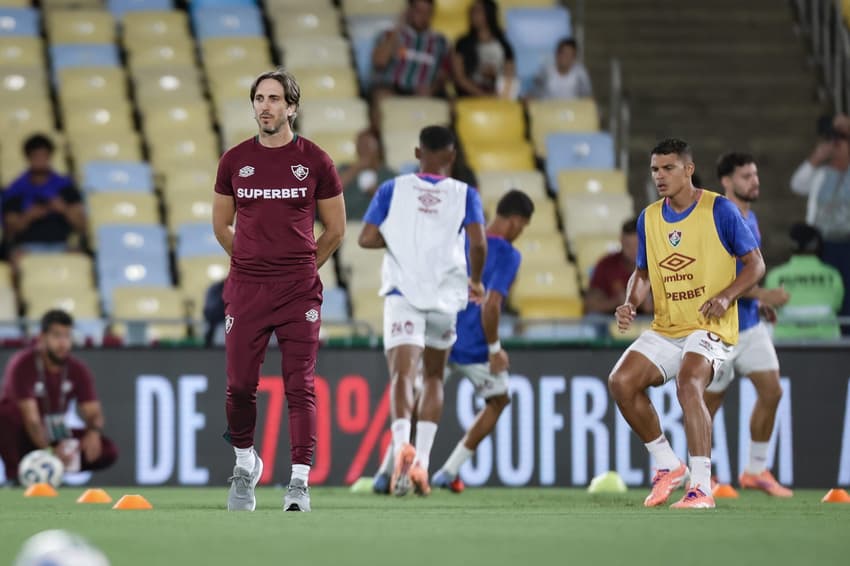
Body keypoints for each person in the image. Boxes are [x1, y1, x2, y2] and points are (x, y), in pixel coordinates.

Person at [212, 68, 346, 512]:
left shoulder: (316, 161)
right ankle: (246, 464)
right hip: (247, 289)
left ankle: (299, 484)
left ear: (292, 107)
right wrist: (252, 262)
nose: (265, 106)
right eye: (259, 98)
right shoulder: (234, 161)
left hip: (297, 292)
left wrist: (301, 268)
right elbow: (220, 224)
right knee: (238, 387)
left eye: (274, 99)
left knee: (300, 386)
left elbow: (336, 229)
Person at [609, 138, 763, 509]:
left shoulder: (720, 210)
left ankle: (702, 489)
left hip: (711, 325)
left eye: (668, 168)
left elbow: (755, 264)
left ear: (688, 169)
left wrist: (726, 296)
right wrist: (631, 302)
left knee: (689, 382)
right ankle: (667, 465)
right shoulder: (649, 217)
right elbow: (642, 273)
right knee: (621, 382)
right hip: (668, 327)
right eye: (654, 170)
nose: (659, 177)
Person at [371, 189, 533, 494]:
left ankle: (385, 473)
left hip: (442, 333)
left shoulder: (461, 239)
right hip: (476, 346)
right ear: (515, 221)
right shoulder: (509, 254)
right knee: (498, 400)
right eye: (522, 227)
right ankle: (449, 470)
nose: (519, 233)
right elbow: (492, 304)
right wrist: (495, 349)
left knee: (416, 404)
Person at [358, 125, 486, 497]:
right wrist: (476, 280)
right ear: (451, 157)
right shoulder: (465, 194)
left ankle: (401, 447)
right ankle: (424, 463)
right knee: (433, 377)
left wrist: (399, 235)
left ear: (418, 153)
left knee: (402, 375)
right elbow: (478, 242)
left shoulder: (391, 189)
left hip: (404, 294)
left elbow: (365, 237)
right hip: (446, 298)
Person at [703, 152, 792, 497]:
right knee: (708, 406)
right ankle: (702, 475)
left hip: (751, 326)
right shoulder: (715, 220)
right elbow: (715, 280)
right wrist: (763, 295)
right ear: (726, 181)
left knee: (772, 391)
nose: (754, 181)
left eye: (755, 175)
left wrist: (758, 303)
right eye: (745, 176)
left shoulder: (750, 219)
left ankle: (756, 470)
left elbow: (744, 274)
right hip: (720, 328)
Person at [0, 309, 117, 484]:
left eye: (67, 336)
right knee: (6, 416)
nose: (63, 343)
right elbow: (31, 420)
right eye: (56, 336)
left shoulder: (77, 369)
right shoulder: (23, 364)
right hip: (22, 435)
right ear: (41, 337)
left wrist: (93, 432)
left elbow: (93, 411)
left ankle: (54, 471)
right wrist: (51, 452)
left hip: (52, 431)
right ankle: (16, 475)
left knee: (107, 449)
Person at [790, 114, 850, 325]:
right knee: (827, 291)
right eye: (833, 140)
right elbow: (797, 184)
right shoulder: (821, 174)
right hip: (824, 244)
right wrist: (817, 157)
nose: (836, 145)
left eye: (842, 139)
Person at [2, 134, 87, 258]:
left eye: (44, 156)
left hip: (61, 246)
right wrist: (28, 216)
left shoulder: (66, 188)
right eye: (36, 156)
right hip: (27, 247)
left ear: (50, 157)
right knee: (16, 259)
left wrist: (63, 209)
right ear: (28, 158)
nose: (40, 160)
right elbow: (9, 231)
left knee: (78, 257)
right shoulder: (16, 190)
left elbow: (81, 225)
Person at [369, 0, 451, 129]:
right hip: (393, 88)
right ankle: (381, 141)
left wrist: (432, 89)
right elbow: (379, 62)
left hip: (424, 91)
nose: (422, 16)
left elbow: (443, 75)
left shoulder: (440, 42)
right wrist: (398, 28)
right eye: (418, 11)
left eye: (427, 13)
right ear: (409, 11)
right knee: (381, 97)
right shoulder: (389, 35)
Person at [765, 223, 844, 340]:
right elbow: (837, 305)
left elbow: (768, 309)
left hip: (785, 342)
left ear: (791, 246)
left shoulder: (775, 276)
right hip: (827, 341)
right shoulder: (833, 275)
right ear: (818, 246)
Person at [584, 218, 653, 316]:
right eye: (628, 245)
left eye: (637, 245)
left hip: (652, 322)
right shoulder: (607, 264)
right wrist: (616, 302)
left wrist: (650, 305)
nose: (633, 251)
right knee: (593, 318)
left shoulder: (659, 264)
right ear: (621, 241)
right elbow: (590, 304)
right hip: (612, 321)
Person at [452, 0, 517, 98]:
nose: (473, 15)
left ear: (488, 14)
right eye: (472, 11)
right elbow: (460, 78)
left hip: (497, 96)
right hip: (469, 97)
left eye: (477, 11)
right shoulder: (462, 43)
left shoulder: (504, 45)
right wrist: (482, 95)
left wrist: (496, 77)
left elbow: (509, 77)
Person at [337, 130, 397, 221]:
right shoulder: (344, 169)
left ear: (379, 148)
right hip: (347, 226)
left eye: (367, 145)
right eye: (359, 145)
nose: (363, 149)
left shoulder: (389, 175)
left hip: (376, 228)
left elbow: (398, 205)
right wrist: (356, 168)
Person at [528, 37, 593, 100]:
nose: (565, 58)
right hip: (547, 109)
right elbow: (535, 92)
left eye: (569, 55)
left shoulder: (580, 73)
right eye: (563, 53)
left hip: (573, 109)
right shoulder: (545, 70)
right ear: (557, 54)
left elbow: (587, 97)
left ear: (574, 58)